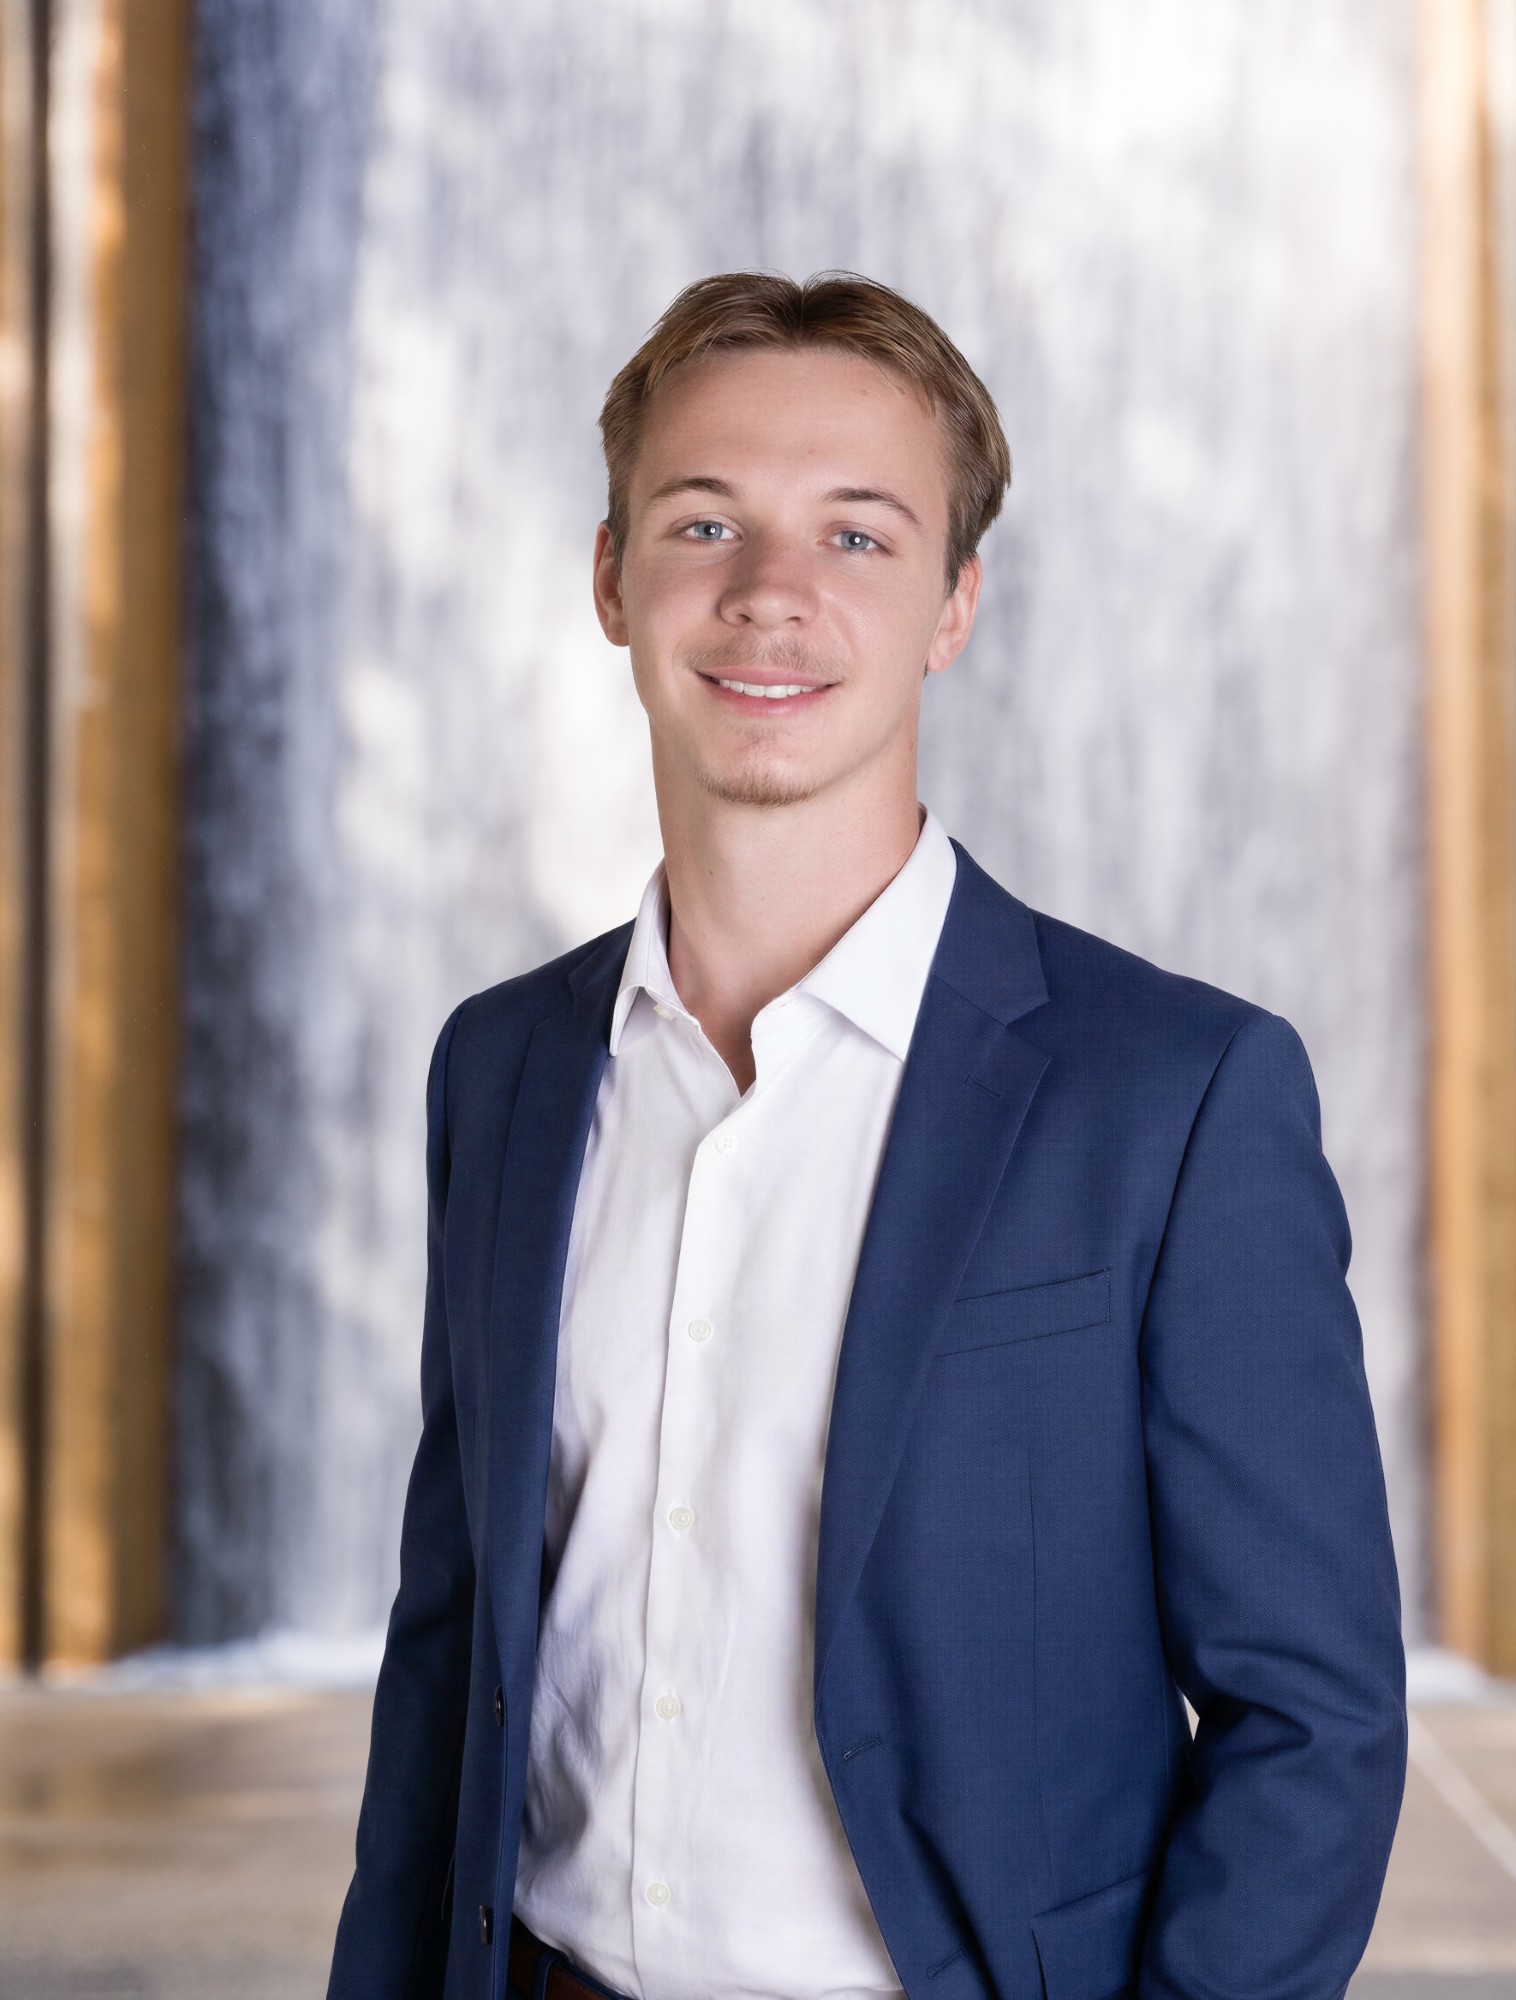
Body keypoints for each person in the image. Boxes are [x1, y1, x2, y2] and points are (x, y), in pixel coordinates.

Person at [327, 271, 1406, 2000]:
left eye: (856, 536)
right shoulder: (502, 1067)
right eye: (703, 523)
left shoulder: (1179, 1096)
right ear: (610, 579)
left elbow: (1313, 1719)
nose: (770, 591)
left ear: (954, 604)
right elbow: (451, 1648)